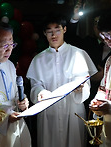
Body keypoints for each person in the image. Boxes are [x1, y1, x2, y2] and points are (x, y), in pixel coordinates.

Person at [26, 13, 97, 147]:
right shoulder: (39, 59)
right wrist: (40, 92)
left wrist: (81, 89)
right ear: (44, 34)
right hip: (49, 115)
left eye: (57, 30)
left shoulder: (78, 54)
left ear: (64, 29)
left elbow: (86, 84)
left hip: (73, 112)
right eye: (50, 32)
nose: (54, 35)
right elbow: (35, 85)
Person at [90, 11, 111, 147]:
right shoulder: (109, 60)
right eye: (104, 36)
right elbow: (104, 87)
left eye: (109, 35)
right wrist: (98, 99)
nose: (107, 40)